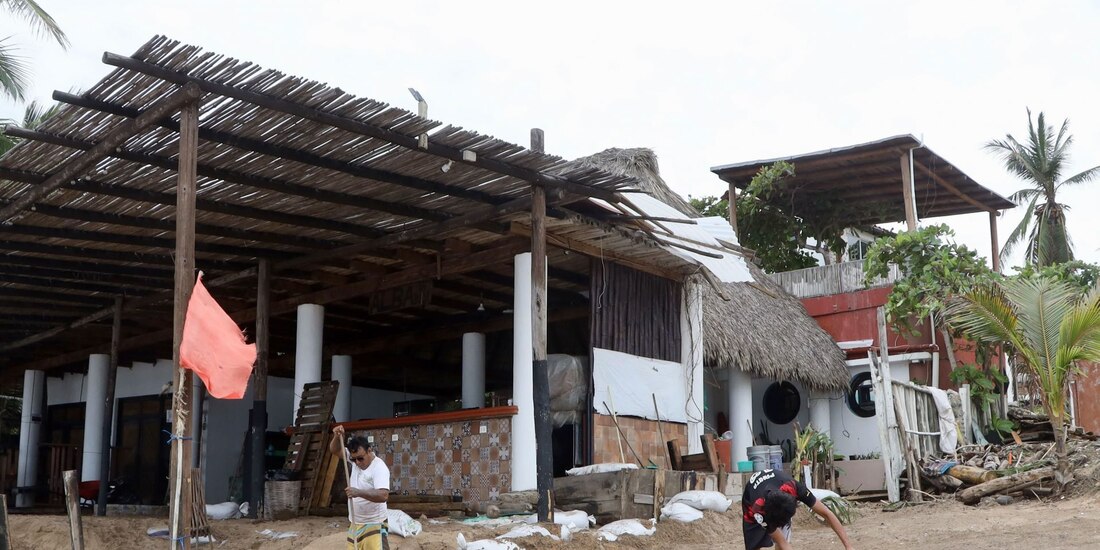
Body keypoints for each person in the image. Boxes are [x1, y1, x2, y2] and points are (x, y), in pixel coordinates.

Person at [741, 468, 854, 550]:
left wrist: (849, 546)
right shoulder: (757, 510)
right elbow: (783, 543)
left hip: (776, 486)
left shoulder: (795, 488)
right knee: (755, 546)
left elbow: (826, 513)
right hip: (751, 497)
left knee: (782, 542)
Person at [331, 425, 391, 550]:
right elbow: (335, 450)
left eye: (360, 458)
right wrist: (337, 436)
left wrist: (358, 493)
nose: (357, 462)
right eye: (353, 459)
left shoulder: (379, 468)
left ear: (369, 451)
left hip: (374, 522)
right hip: (355, 522)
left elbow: (383, 495)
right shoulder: (356, 459)